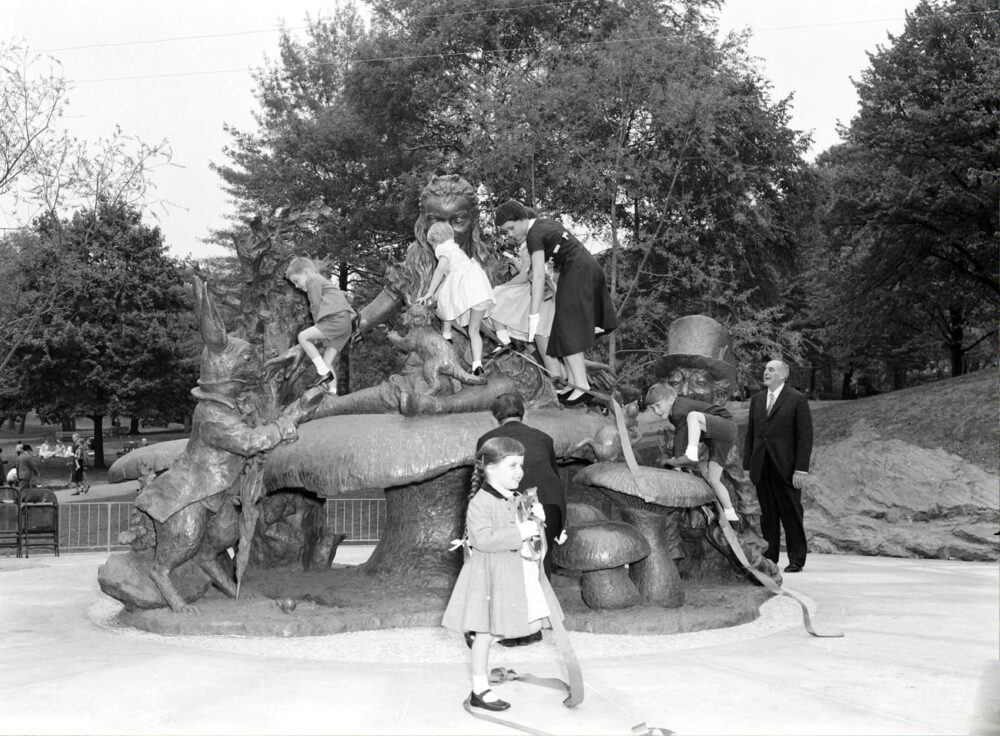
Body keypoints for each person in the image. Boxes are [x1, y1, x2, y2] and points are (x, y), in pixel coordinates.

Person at [441, 436, 549, 712]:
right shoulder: (480, 502)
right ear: (490, 468)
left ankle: (479, 639)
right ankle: (480, 690)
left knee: (535, 624)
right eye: (512, 465)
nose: (520, 472)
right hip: (490, 576)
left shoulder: (514, 497)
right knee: (488, 633)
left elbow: (528, 535)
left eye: (521, 465)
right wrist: (519, 532)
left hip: (513, 573)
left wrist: (535, 519)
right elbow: (482, 539)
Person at [494, 200, 618, 406]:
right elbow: (540, 269)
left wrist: (533, 316)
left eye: (511, 228)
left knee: (567, 329)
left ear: (522, 218)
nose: (511, 234)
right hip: (582, 270)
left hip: (579, 272)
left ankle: (582, 385)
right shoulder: (545, 224)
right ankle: (573, 384)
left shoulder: (534, 236)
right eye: (506, 231)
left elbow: (539, 278)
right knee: (562, 330)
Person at [477, 393, 566, 585]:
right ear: (524, 415)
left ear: (494, 419)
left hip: (512, 507)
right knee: (542, 564)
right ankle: (544, 610)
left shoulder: (486, 441)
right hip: (548, 506)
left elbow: (482, 484)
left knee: (510, 565)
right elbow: (554, 478)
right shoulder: (544, 439)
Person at [742, 360, 814, 573]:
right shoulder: (756, 400)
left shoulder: (797, 399)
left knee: (791, 514)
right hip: (761, 467)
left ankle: (797, 559)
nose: (766, 372)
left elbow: (804, 437)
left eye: (771, 370)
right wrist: (748, 466)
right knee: (768, 516)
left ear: (783, 375)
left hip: (787, 468)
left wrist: (801, 469)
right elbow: (751, 435)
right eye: (765, 369)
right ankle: (770, 558)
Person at [645, 383, 740, 523]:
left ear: (670, 399)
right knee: (714, 479)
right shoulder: (675, 415)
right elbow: (682, 433)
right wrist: (677, 460)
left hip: (725, 425)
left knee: (693, 416)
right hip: (719, 438)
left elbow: (682, 433)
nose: (656, 411)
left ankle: (692, 452)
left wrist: (679, 458)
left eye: (658, 406)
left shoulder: (679, 407)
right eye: (652, 408)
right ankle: (730, 514)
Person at [418, 221, 495, 376]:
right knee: (474, 331)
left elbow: (440, 271)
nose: (433, 249)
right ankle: (477, 365)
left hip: (465, 288)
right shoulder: (456, 249)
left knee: (445, 302)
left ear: (436, 240)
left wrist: (429, 292)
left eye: (432, 244)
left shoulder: (443, 249)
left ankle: (447, 335)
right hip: (479, 290)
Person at [285, 256, 357, 395]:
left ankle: (322, 373)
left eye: (296, 280)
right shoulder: (322, 281)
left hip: (336, 320)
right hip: (344, 325)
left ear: (307, 273)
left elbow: (315, 305)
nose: (296, 286)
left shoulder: (313, 280)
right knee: (327, 362)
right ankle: (332, 392)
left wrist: (318, 326)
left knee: (303, 337)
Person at [487, 241, 556, 354]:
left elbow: (524, 276)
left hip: (533, 290)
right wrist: (513, 260)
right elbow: (527, 270)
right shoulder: (539, 246)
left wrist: (502, 287)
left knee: (495, 298)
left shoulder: (528, 246)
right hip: (547, 290)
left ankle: (504, 341)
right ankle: (506, 341)